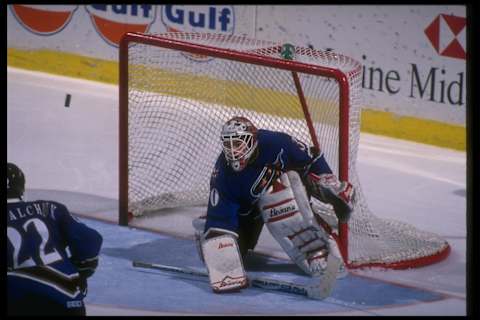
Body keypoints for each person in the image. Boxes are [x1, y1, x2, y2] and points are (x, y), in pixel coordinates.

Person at [193, 116, 356, 293]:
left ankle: (317, 251)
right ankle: (204, 231)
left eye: (238, 143)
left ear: (252, 141)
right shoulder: (223, 174)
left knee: (280, 190)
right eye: (228, 144)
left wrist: (328, 182)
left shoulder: (276, 143)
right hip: (246, 214)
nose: (233, 151)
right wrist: (223, 266)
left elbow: (310, 157)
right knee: (226, 254)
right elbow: (221, 220)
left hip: (276, 196)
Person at [7, 162, 103, 316]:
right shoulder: (50, 208)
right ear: (21, 188)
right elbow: (90, 239)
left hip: (19, 302)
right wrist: (82, 271)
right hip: (67, 300)